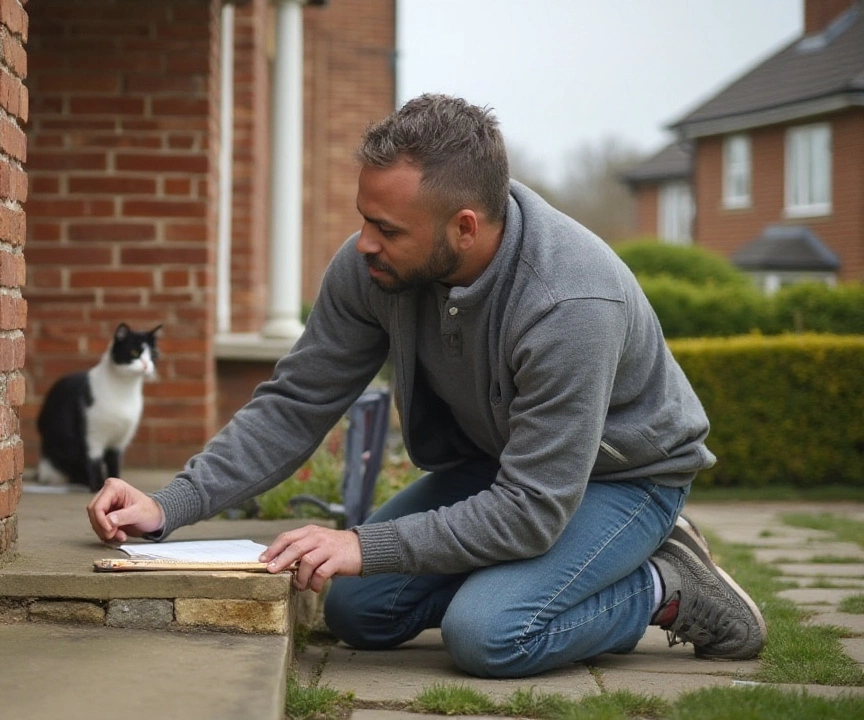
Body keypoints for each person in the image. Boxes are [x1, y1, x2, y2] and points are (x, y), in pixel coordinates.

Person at [86, 94, 766, 678]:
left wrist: (364, 545)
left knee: (491, 633)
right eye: (363, 218)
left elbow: (532, 509)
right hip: (501, 467)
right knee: (357, 610)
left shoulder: (570, 304)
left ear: (464, 227)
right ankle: (528, 578)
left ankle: (664, 583)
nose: (363, 245)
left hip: (624, 478)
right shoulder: (374, 269)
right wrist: (171, 504)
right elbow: (297, 402)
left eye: (386, 229)